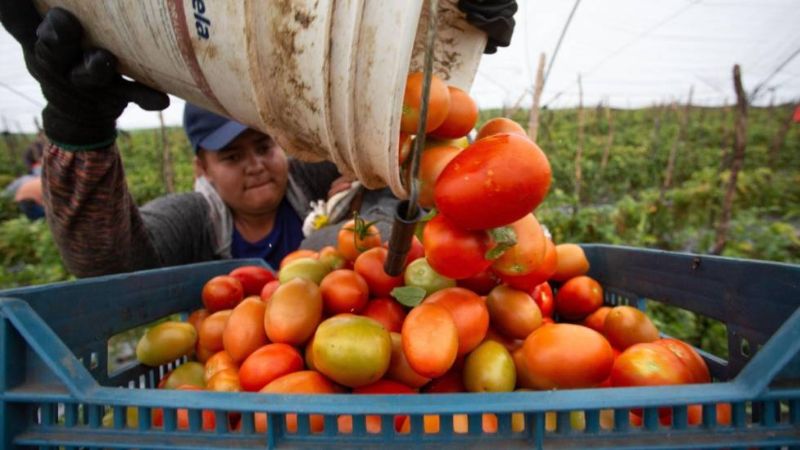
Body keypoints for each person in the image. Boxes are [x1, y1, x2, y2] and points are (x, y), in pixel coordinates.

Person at [0, 1, 516, 277]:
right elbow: (108, 264)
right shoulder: (194, 222)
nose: (255, 165)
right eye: (231, 156)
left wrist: (438, 62)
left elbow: (396, 168)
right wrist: (77, 130)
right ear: (201, 167)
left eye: (263, 146)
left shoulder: (310, 175)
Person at [2, 134, 46, 220]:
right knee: (44, 216)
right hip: (28, 199)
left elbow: (6, 194)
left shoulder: (26, 180)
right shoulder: (45, 179)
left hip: (21, 198)